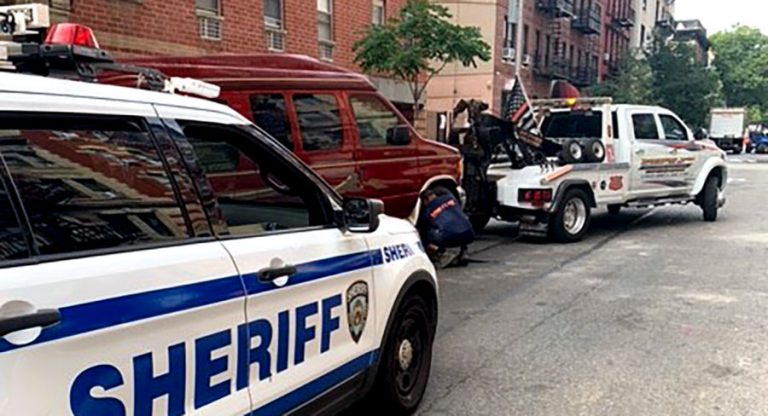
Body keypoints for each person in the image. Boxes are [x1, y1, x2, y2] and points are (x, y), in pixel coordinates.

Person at [418, 188, 475, 267]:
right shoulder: (450, 198)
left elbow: (421, 227)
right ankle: (464, 251)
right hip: (469, 232)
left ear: (425, 201)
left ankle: (442, 255)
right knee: (458, 222)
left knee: (424, 234)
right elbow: (446, 191)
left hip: (449, 237)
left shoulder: (426, 213)